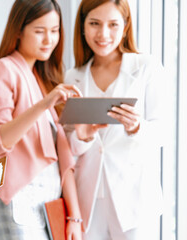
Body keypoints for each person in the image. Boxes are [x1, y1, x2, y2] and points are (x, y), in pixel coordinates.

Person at [0, 0, 83, 239]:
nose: (49, 40)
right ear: (18, 31)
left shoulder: (44, 79)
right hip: (18, 196)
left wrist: (74, 216)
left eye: (55, 31)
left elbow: (63, 159)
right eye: (39, 31)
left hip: (50, 202)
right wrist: (44, 104)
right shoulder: (2, 70)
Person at [64, 0, 166, 239]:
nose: (103, 34)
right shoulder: (73, 76)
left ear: (126, 25)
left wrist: (137, 127)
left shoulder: (146, 68)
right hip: (89, 196)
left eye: (113, 24)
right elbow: (68, 145)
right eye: (94, 24)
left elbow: (162, 133)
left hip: (135, 198)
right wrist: (83, 136)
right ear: (82, 26)